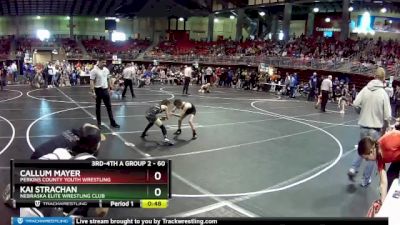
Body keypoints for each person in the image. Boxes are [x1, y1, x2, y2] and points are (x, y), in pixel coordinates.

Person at [348, 67, 392, 187]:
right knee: (373, 155)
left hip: (363, 125)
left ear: (374, 76)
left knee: (362, 147)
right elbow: (388, 115)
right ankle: (365, 180)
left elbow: (356, 103)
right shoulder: (383, 93)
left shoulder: (365, 89)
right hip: (375, 129)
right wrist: (386, 128)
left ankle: (353, 169)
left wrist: (360, 113)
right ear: (383, 78)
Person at [357, 130, 400, 202]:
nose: (367, 160)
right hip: (397, 160)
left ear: (371, 152)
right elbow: (383, 182)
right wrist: (382, 205)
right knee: (389, 185)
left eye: (367, 158)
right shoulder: (379, 157)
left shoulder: (388, 142)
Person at [90, 59, 120, 129]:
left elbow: (108, 79)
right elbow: (92, 81)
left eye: (105, 62)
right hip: (98, 90)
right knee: (98, 108)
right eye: (103, 62)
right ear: (99, 62)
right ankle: (99, 123)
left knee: (109, 107)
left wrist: (110, 88)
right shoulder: (94, 70)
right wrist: (93, 92)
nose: (104, 63)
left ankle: (112, 122)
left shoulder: (106, 70)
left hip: (105, 90)